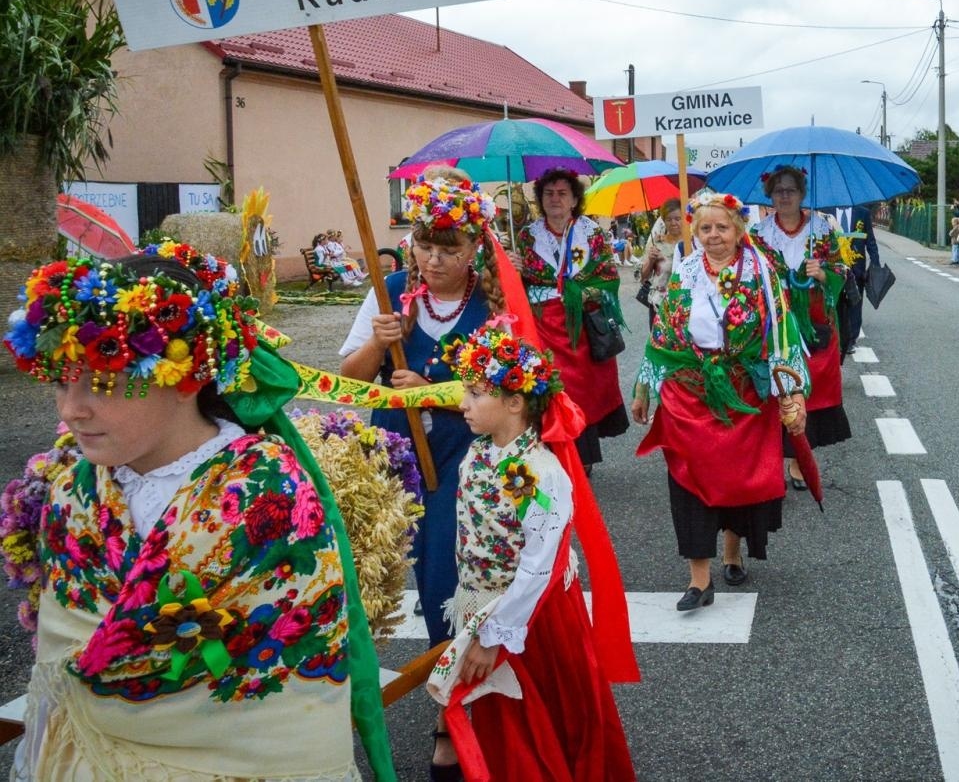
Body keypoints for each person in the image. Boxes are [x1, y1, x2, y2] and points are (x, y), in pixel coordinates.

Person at [6, 245, 393, 781]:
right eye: (61, 381)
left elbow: (285, 675)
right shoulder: (73, 486)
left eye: (101, 383)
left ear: (184, 375)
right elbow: (64, 639)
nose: (72, 408)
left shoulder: (269, 492)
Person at [339, 169, 504, 776]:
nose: (433, 260)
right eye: (424, 246)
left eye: (449, 249)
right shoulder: (388, 294)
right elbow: (352, 383)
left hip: (463, 458)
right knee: (362, 585)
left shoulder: (492, 303)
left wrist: (433, 391)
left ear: (473, 250)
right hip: (391, 458)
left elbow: (513, 391)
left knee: (444, 582)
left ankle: (448, 715)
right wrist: (382, 345)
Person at [427, 321, 636, 782]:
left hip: (530, 617)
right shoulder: (480, 453)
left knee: (536, 714)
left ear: (515, 403)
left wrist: (493, 635)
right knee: (501, 715)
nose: (463, 404)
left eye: (476, 394)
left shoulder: (539, 474)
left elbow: (541, 563)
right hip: (485, 604)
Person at [631, 190, 809, 607]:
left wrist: (793, 392)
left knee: (737, 481)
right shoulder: (686, 271)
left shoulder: (761, 272)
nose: (713, 236)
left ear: (738, 229)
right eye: (705, 228)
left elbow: (783, 333)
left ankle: (732, 551)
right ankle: (699, 580)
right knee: (686, 480)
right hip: (689, 391)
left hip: (741, 392)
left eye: (722, 227)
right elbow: (663, 334)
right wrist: (646, 387)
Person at [750, 166, 853, 488]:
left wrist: (823, 273)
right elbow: (748, 273)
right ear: (770, 195)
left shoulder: (821, 229)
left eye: (790, 190)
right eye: (778, 190)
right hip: (775, 321)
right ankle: (769, 459)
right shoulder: (758, 233)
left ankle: (799, 457)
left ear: (801, 194)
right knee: (775, 387)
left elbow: (841, 270)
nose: (784, 196)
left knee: (809, 388)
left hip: (815, 322)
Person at [519, 168, 630, 467]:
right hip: (542, 326)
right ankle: (551, 454)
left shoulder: (590, 233)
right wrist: (514, 266)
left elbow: (608, 276)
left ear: (574, 199)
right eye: (548, 193)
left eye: (562, 193)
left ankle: (583, 458)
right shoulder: (526, 236)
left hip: (580, 326)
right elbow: (520, 285)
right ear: (540, 199)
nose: (554, 199)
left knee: (583, 391)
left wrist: (581, 292)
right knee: (549, 388)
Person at [832, 202, 879, 354]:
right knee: (836, 303)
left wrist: (875, 264)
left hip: (857, 268)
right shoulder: (827, 212)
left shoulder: (862, 213)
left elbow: (870, 240)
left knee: (855, 302)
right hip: (834, 266)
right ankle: (839, 337)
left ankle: (852, 339)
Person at [640, 198, 686, 330]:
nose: (673, 223)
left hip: (685, 305)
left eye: (678, 218)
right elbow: (643, 277)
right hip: (658, 304)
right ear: (663, 221)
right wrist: (650, 260)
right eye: (669, 219)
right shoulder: (656, 243)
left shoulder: (692, 244)